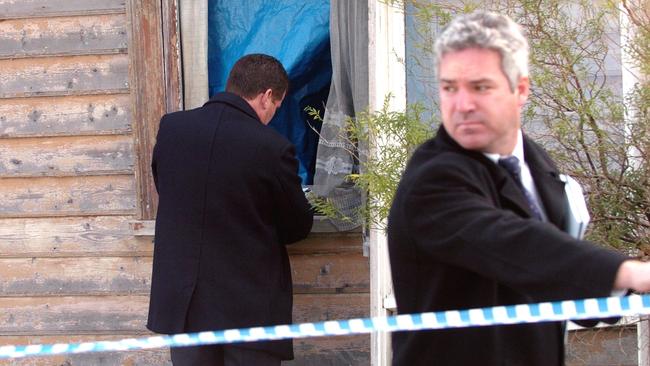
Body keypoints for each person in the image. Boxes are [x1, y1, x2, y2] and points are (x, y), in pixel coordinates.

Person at [387, 11, 650, 366]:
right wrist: (628, 272)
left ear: (520, 89)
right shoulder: (433, 178)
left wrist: (619, 293)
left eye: (480, 87)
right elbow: (512, 243)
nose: (462, 104)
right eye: (450, 87)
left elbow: (549, 274)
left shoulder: (537, 165)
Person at [147, 54, 314, 366]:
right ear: (266, 97)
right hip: (248, 310)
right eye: (277, 106)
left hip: (185, 306)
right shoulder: (272, 148)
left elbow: (165, 187)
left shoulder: (171, 130)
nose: (274, 115)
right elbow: (296, 226)